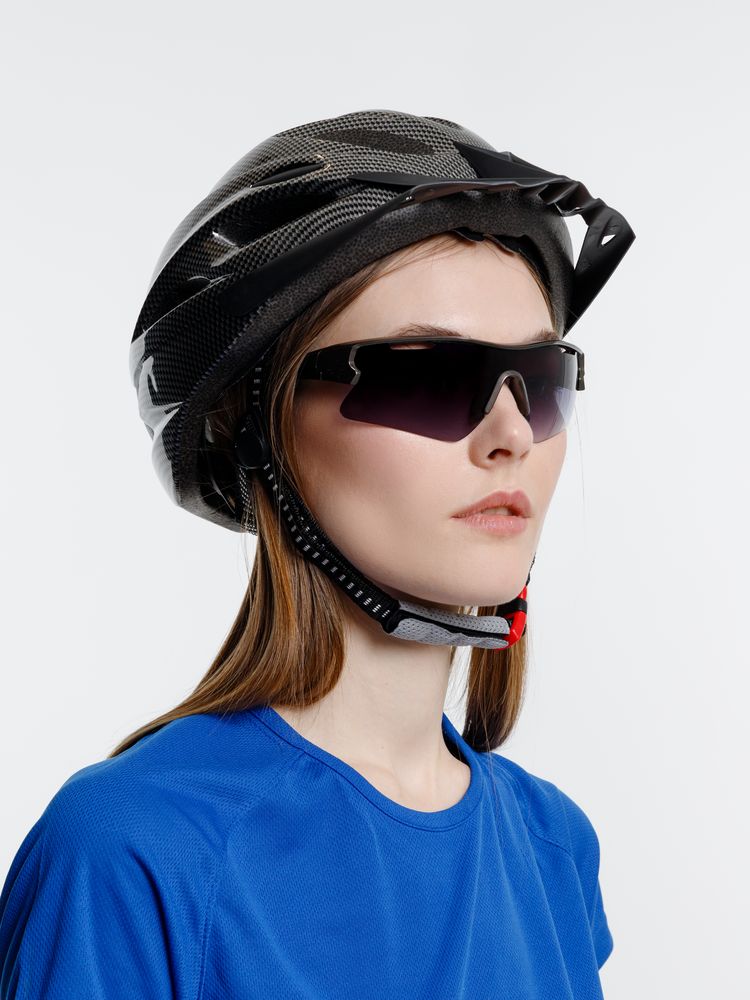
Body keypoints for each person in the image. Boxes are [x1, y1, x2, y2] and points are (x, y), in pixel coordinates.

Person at [0, 108, 635, 998]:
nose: (512, 435)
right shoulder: (131, 851)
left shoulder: (554, 845)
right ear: (261, 430)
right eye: (426, 377)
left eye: (539, 380)